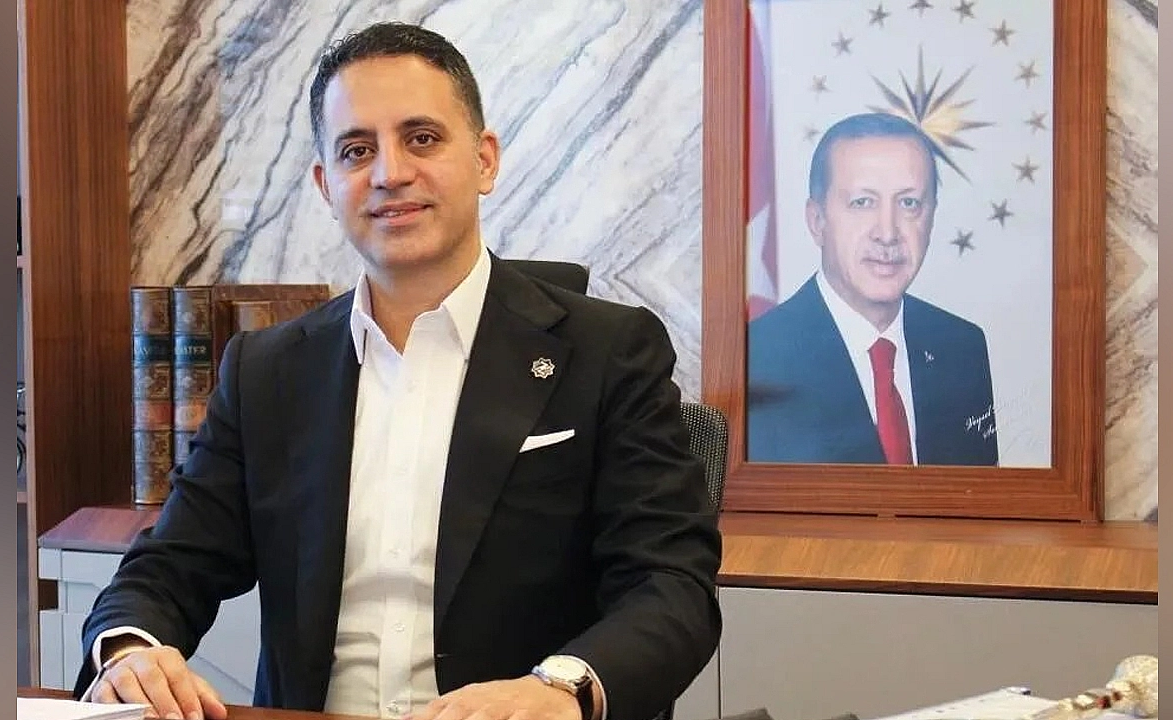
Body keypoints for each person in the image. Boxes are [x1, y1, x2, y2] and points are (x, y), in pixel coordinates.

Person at [74, 21, 722, 720]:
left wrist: (559, 689)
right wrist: (130, 649)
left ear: (484, 160)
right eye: (357, 150)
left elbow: (670, 584)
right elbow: (172, 563)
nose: (389, 173)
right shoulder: (266, 372)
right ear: (326, 185)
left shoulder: (608, 351)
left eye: (422, 138)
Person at [747, 112, 998, 466]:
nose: (887, 233)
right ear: (817, 221)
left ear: (931, 218)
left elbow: (979, 497)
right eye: (862, 202)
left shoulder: (961, 347)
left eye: (909, 203)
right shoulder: (758, 355)